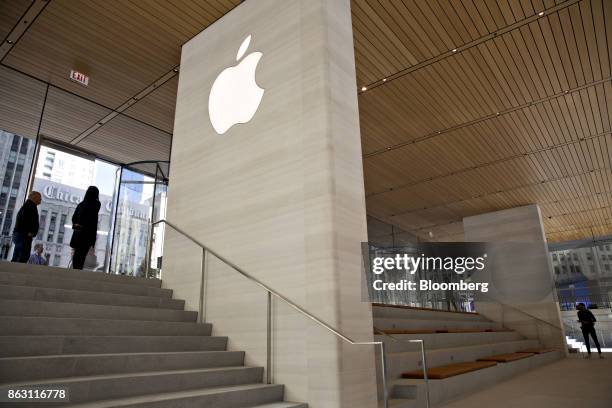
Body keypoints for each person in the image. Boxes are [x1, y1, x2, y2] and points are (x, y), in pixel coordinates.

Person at [70, 186, 100, 270]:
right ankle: (77, 274)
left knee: (77, 256)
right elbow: (91, 219)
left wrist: (77, 225)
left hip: (78, 234)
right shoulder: (96, 204)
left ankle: (76, 272)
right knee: (81, 256)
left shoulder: (81, 204)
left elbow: (74, 218)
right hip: (87, 235)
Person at [11, 191, 41, 263]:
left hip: (21, 235)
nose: (40, 200)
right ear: (34, 197)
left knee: (17, 256)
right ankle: (16, 273)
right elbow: (25, 220)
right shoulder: (30, 207)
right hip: (23, 236)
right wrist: (29, 232)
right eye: (39, 198)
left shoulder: (28, 206)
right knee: (22, 257)